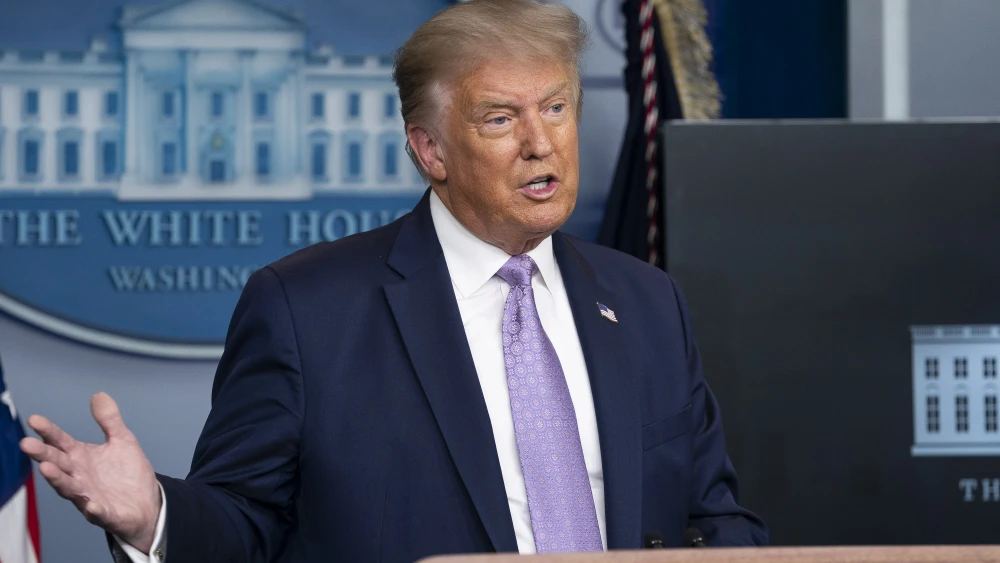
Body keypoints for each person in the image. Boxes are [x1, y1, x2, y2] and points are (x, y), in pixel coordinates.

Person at [19, 1, 767, 561]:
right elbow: (247, 521)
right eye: (501, 119)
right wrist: (151, 513)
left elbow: (713, 515)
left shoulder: (645, 301)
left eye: (557, 108)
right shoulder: (307, 311)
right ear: (430, 149)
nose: (542, 142)